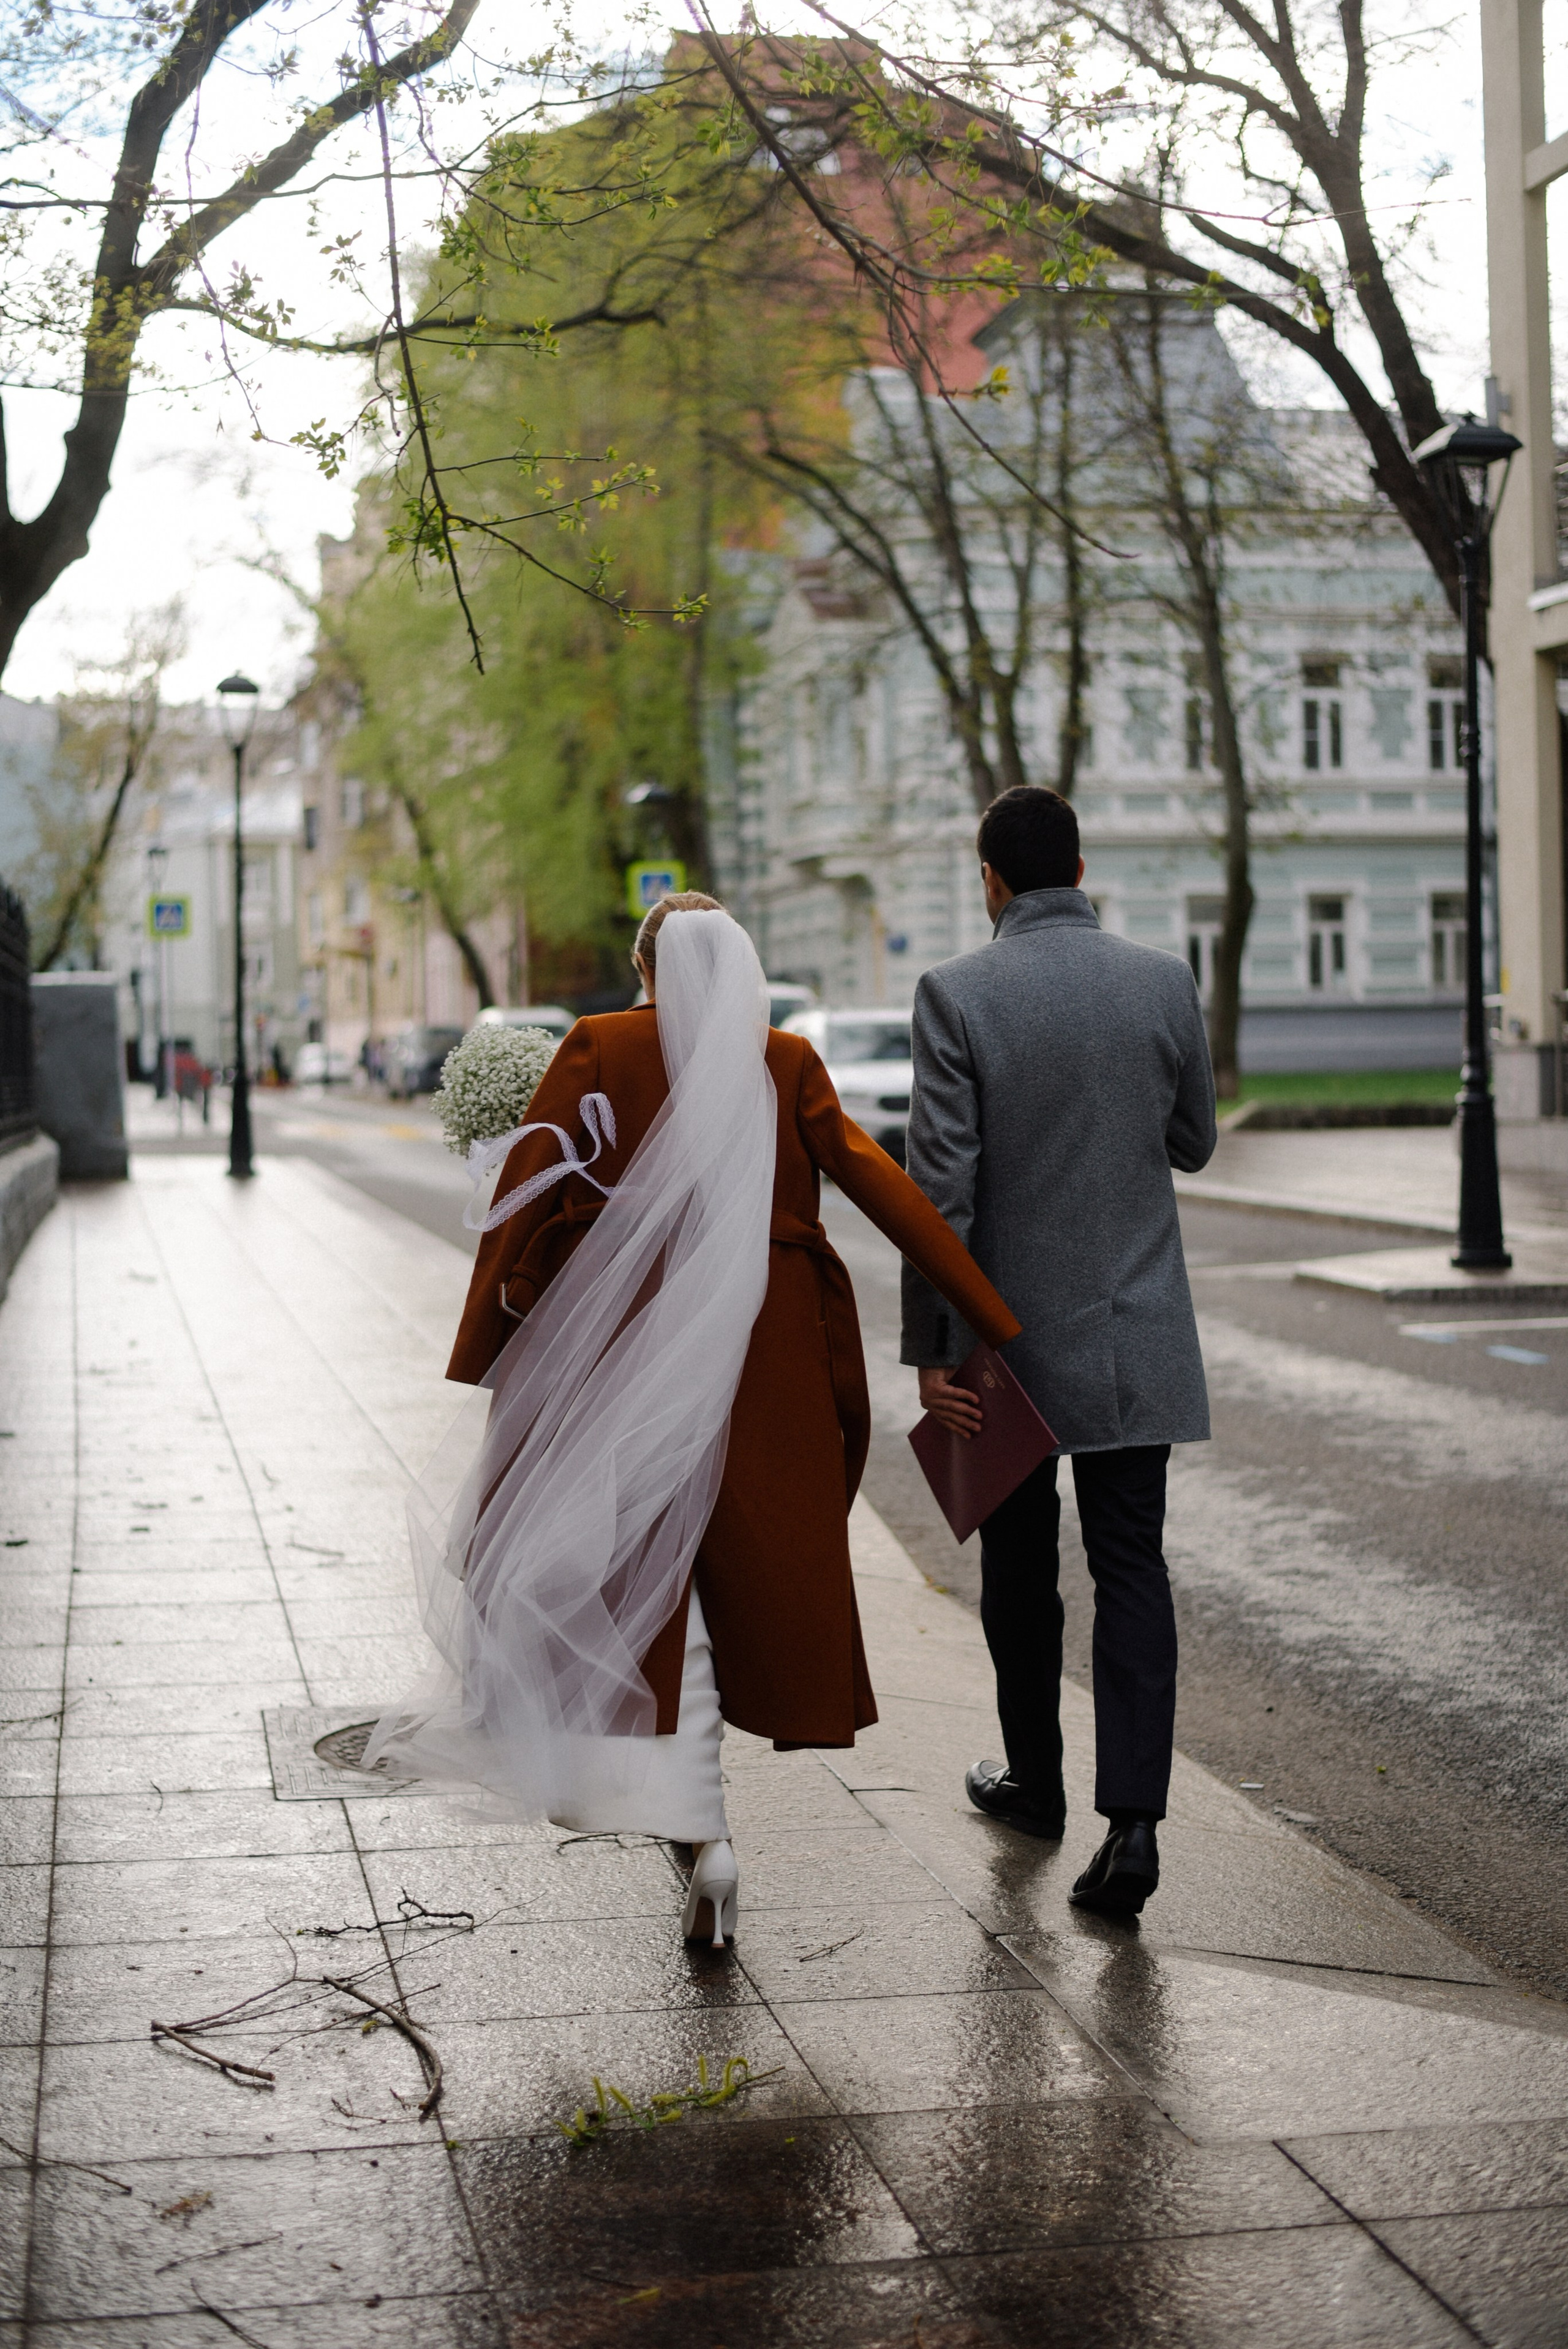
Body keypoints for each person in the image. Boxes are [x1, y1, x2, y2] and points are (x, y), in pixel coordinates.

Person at [367, 894, 1019, 1948]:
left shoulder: (599, 1043)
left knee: (650, 1577)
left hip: (625, 1341)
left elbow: (531, 1194)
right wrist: (990, 1316)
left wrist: (491, 1341)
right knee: (736, 1562)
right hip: (769, 1350)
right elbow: (879, 1181)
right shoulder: (788, 1060)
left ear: (645, 968)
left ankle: (699, 1836)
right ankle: (703, 1833)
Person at [900, 786, 1216, 1918]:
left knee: (1020, 1569)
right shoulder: (1164, 981)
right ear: (1081, 868)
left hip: (1011, 1354)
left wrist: (934, 1350)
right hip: (1139, 1339)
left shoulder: (958, 994)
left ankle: (1035, 1785)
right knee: (1134, 1566)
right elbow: (1196, 1140)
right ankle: (1132, 1828)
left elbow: (939, 1189)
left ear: (990, 880)